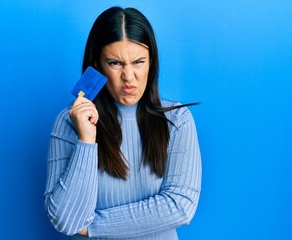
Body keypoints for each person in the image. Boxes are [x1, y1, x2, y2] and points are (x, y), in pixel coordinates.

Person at [44, 6, 202, 239]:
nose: (129, 77)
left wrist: (93, 227)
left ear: (151, 63)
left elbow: (180, 207)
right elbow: (67, 221)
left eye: (138, 62)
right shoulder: (69, 122)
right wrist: (86, 140)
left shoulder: (177, 121)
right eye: (115, 63)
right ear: (96, 65)